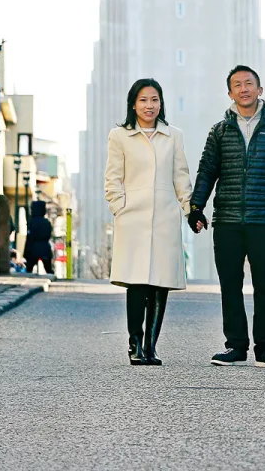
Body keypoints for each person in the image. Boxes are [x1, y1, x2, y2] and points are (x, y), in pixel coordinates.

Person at [189, 65, 265, 369]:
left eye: (249, 84)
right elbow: (207, 170)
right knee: (230, 286)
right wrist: (196, 207)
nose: (244, 89)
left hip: (264, 220)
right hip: (228, 221)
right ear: (230, 93)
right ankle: (235, 346)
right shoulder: (220, 131)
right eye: (237, 85)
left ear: (260, 90)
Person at [104, 78, 193, 366]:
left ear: (161, 103)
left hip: (165, 217)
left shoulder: (173, 136)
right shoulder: (119, 136)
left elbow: (181, 176)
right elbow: (113, 177)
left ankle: (151, 346)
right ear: (133, 103)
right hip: (133, 218)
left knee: (160, 283)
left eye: (154, 99)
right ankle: (135, 343)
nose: (149, 105)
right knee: (138, 282)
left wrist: (190, 210)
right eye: (143, 100)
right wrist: (120, 207)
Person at [23, 201, 55, 275]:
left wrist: (26, 252)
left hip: (33, 248)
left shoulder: (32, 222)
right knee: (49, 270)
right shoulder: (47, 222)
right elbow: (49, 234)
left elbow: (29, 237)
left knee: (29, 269)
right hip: (45, 248)